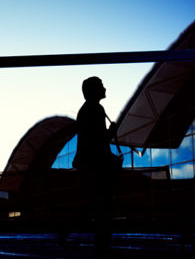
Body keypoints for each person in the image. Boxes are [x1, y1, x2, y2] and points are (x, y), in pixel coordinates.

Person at [72, 76, 120, 256]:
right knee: (102, 206)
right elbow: (99, 141)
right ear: (94, 91)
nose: (105, 88)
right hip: (97, 167)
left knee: (95, 204)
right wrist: (112, 131)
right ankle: (102, 245)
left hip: (89, 165)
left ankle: (70, 229)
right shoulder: (96, 110)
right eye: (101, 86)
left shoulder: (86, 110)